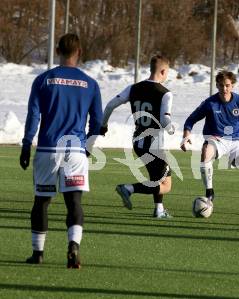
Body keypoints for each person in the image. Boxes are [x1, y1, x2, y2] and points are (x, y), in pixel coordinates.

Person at [20, 33, 103, 268]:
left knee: (42, 201)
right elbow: (96, 122)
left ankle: (38, 253)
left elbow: (34, 114)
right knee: (74, 202)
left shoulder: (44, 80)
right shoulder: (91, 83)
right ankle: (73, 245)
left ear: (58, 50)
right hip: (75, 150)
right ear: (79, 53)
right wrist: (87, 146)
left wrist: (26, 144)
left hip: (47, 148)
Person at [100, 55, 174, 218]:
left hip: (138, 142)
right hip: (154, 144)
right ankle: (128, 188)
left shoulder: (133, 88)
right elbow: (164, 118)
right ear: (163, 71)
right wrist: (171, 128)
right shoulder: (165, 93)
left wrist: (103, 125)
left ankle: (159, 210)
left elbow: (110, 105)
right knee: (166, 184)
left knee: (156, 177)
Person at [181, 70, 239, 216]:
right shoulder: (210, 103)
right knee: (206, 151)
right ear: (217, 85)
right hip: (216, 140)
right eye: (220, 85)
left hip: (236, 143)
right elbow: (191, 119)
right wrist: (186, 135)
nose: (224, 89)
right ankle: (210, 193)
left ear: (233, 85)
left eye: (227, 85)